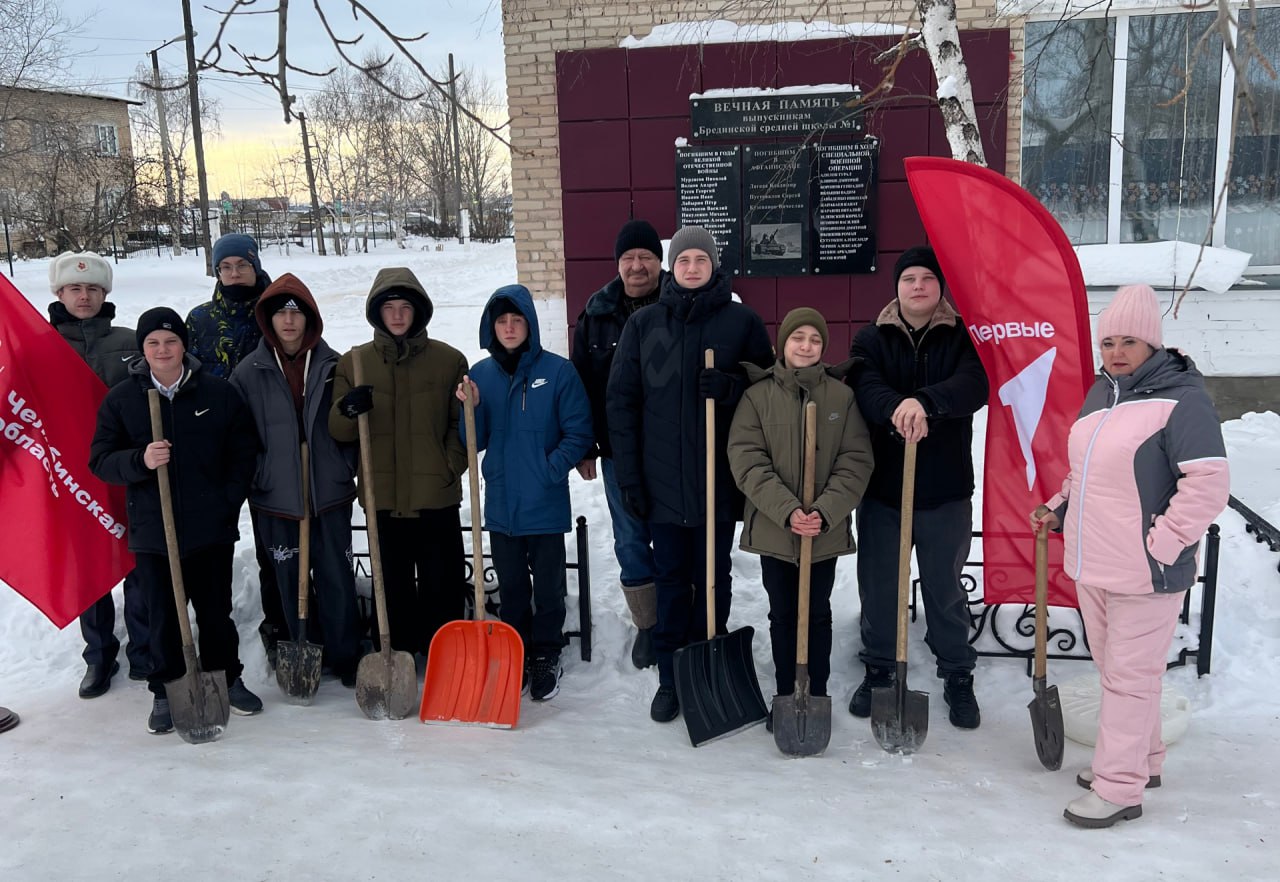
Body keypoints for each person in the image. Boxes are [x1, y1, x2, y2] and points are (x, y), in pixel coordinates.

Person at [1031, 284, 1229, 828]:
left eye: (1129, 342)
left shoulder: (1184, 400)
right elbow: (1084, 474)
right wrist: (1058, 507)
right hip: (1094, 562)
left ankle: (1119, 788)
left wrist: (1163, 542)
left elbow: (1208, 483)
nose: (1116, 352)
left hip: (1145, 572)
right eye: (1108, 342)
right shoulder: (1102, 395)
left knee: (1127, 679)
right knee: (1122, 675)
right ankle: (1144, 760)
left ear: (1153, 344)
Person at [607, 225, 773, 723]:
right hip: (662, 485)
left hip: (718, 483)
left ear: (714, 265)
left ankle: (708, 662)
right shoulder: (644, 326)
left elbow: (768, 389)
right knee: (672, 580)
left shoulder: (742, 322)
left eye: (701, 259)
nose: (692, 267)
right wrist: (631, 480)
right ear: (671, 268)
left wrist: (731, 387)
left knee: (714, 578)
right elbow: (621, 404)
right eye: (683, 260)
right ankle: (670, 674)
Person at [90, 307, 263, 734]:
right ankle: (166, 690)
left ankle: (226, 676)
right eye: (153, 343)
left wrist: (226, 500)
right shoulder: (122, 399)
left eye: (171, 341)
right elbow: (101, 460)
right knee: (163, 615)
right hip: (154, 531)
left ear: (184, 345)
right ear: (143, 349)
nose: (163, 349)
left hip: (210, 528)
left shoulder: (217, 393)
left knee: (215, 611)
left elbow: (243, 451)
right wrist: (140, 460)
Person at [848, 245, 989, 729]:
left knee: (945, 587)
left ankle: (957, 671)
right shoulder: (872, 337)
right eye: (909, 278)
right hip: (884, 488)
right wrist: (897, 408)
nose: (918, 286)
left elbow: (975, 384)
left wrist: (925, 402)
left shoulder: (962, 336)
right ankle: (879, 666)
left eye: (927, 278)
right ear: (897, 287)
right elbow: (864, 386)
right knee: (880, 584)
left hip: (945, 489)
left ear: (940, 286)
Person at [728, 308, 874, 710]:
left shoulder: (841, 397)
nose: (806, 346)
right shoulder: (757, 397)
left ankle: (816, 691)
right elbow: (746, 460)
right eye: (798, 337)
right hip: (776, 528)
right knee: (782, 613)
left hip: (822, 530)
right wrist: (788, 510)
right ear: (782, 344)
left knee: (817, 613)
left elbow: (856, 461)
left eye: (815, 339)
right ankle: (784, 692)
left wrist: (824, 512)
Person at [457, 285, 592, 701]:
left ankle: (546, 652)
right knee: (513, 589)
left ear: (530, 324)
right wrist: (470, 408)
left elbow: (578, 432)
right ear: (492, 326)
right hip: (502, 505)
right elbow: (472, 440)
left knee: (549, 589)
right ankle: (515, 649)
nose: (510, 327)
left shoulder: (558, 372)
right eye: (502, 321)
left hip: (545, 503)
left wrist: (549, 469)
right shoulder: (479, 375)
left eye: (517, 320)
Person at [329, 268, 469, 659]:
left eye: (405, 307)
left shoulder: (448, 360)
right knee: (392, 585)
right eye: (389, 307)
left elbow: (461, 425)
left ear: (418, 311)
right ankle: (397, 657)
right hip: (383, 496)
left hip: (435, 495)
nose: (397, 315)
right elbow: (338, 430)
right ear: (377, 312)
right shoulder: (355, 363)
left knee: (443, 582)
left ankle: (445, 655)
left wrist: (449, 466)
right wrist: (347, 409)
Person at [231, 273, 362, 690]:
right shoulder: (248, 372)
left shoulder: (335, 366)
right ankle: (302, 646)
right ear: (268, 319)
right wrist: (260, 475)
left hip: (329, 493)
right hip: (277, 496)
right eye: (280, 313)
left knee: (335, 575)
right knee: (288, 580)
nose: (289, 321)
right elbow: (237, 436)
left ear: (309, 319)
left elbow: (353, 429)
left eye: (296, 313)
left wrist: (344, 466)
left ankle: (345, 654)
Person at [46, 251, 150, 698]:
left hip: (126, 471)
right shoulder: (38, 347)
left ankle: (144, 648)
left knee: (139, 559)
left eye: (92, 288)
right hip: (71, 479)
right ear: (60, 293)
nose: (84, 296)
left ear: (105, 293)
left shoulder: (130, 342)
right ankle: (99, 654)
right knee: (88, 566)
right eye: (75, 288)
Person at [185, 233, 288, 670]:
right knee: (212, 541)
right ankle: (213, 633)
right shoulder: (200, 319)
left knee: (274, 543)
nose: (233, 273)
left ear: (254, 265)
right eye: (224, 267)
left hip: (268, 442)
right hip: (214, 449)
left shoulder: (277, 310)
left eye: (241, 265)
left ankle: (280, 624)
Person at [571, 219, 664, 669]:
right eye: (628, 257)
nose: (637, 265)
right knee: (630, 536)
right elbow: (582, 384)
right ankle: (647, 623)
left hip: (673, 447)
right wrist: (585, 445)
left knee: (674, 533)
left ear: (659, 261)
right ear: (617, 264)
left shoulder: (678, 302)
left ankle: (678, 612)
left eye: (645, 256)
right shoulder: (596, 314)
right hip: (616, 450)